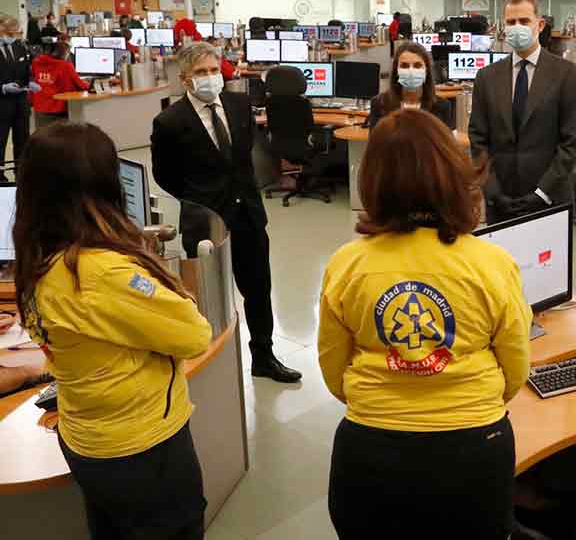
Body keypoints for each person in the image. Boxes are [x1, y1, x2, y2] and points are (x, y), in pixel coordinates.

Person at [319, 109, 530, 539]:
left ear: (372, 179)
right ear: (454, 173)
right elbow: (516, 369)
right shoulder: (492, 263)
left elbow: (333, 372)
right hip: (474, 448)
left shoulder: (347, 264)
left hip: (371, 449)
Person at [15, 122, 213, 539]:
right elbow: (194, 333)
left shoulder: (38, 256)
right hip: (141, 449)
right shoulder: (102, 272)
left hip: (88, 437)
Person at [151, 42, 301, 383]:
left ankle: (263, 356)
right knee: (204, 298)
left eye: (213, 70)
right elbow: (166, 175)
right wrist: (199, 199)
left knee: (258, 290)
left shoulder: (239, 104)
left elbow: (243, 160)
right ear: (186, 79)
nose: (209, 78)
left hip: (247, 214)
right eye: (201, 73)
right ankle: (208, 364)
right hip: (204, 221)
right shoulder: (170, 122)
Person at [468, 0, 576, 223]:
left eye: (524, 21)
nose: (516, 27)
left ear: (539, 24)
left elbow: (570, 143)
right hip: (500, 202)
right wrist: (492, 191)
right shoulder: (486, 77)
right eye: (511, 22)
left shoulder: (565, 73)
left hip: (549, 200)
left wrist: (542, 193)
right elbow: (478, 140)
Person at [368, 42, 452, 129]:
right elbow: (375, 141)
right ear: (396, 70)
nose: (411, 71)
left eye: (417, 65)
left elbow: (444, 142)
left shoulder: (442, 106)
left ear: (426, 70)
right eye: (404, 66)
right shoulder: (379, 103)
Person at [0, 14, 34, 178]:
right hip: (2, 105)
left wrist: (30, 83)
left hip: (21, 104)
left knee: (23, 142)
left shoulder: (19, 47)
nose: (14, 37)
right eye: (11, 33)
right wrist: (3, 88)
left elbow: (26, 70)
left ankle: (21, 173)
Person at [31, 35, 89, 127]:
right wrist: (92, 84)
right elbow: (81, 85)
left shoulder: (36, 62)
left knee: (42, 136)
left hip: (39, 106)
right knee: (58, 137)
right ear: (64, 53)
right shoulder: (65, 66)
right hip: (58, 108)